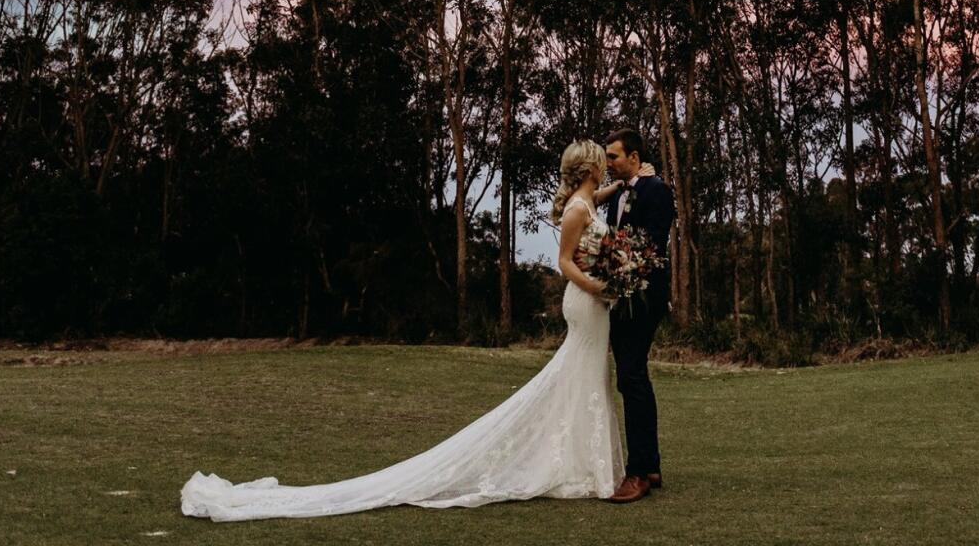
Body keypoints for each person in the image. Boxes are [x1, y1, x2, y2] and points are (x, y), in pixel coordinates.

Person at [178, 139, 625, 520]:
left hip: (595, 305)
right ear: (591, 167)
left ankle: (586, 464)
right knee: (580, 377)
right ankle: (586, 468)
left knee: (586, 380)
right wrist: (598, 284)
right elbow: (563, 263)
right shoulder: (574, 211)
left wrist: (620, 188)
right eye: (603, 162)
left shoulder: (587, 201)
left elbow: (593, 204)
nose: (607, 164)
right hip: (586, 303)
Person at [595, 126, 677, 504]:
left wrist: (623, 265)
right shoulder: (616, 196)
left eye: (613, 156)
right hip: (621, 297)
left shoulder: (656, 190)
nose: (608, 162)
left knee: (630, 376)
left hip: (643, 298)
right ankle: (652, 464)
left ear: (634, 156)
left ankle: (639, 473)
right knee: (635, 376)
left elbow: (653, 245)